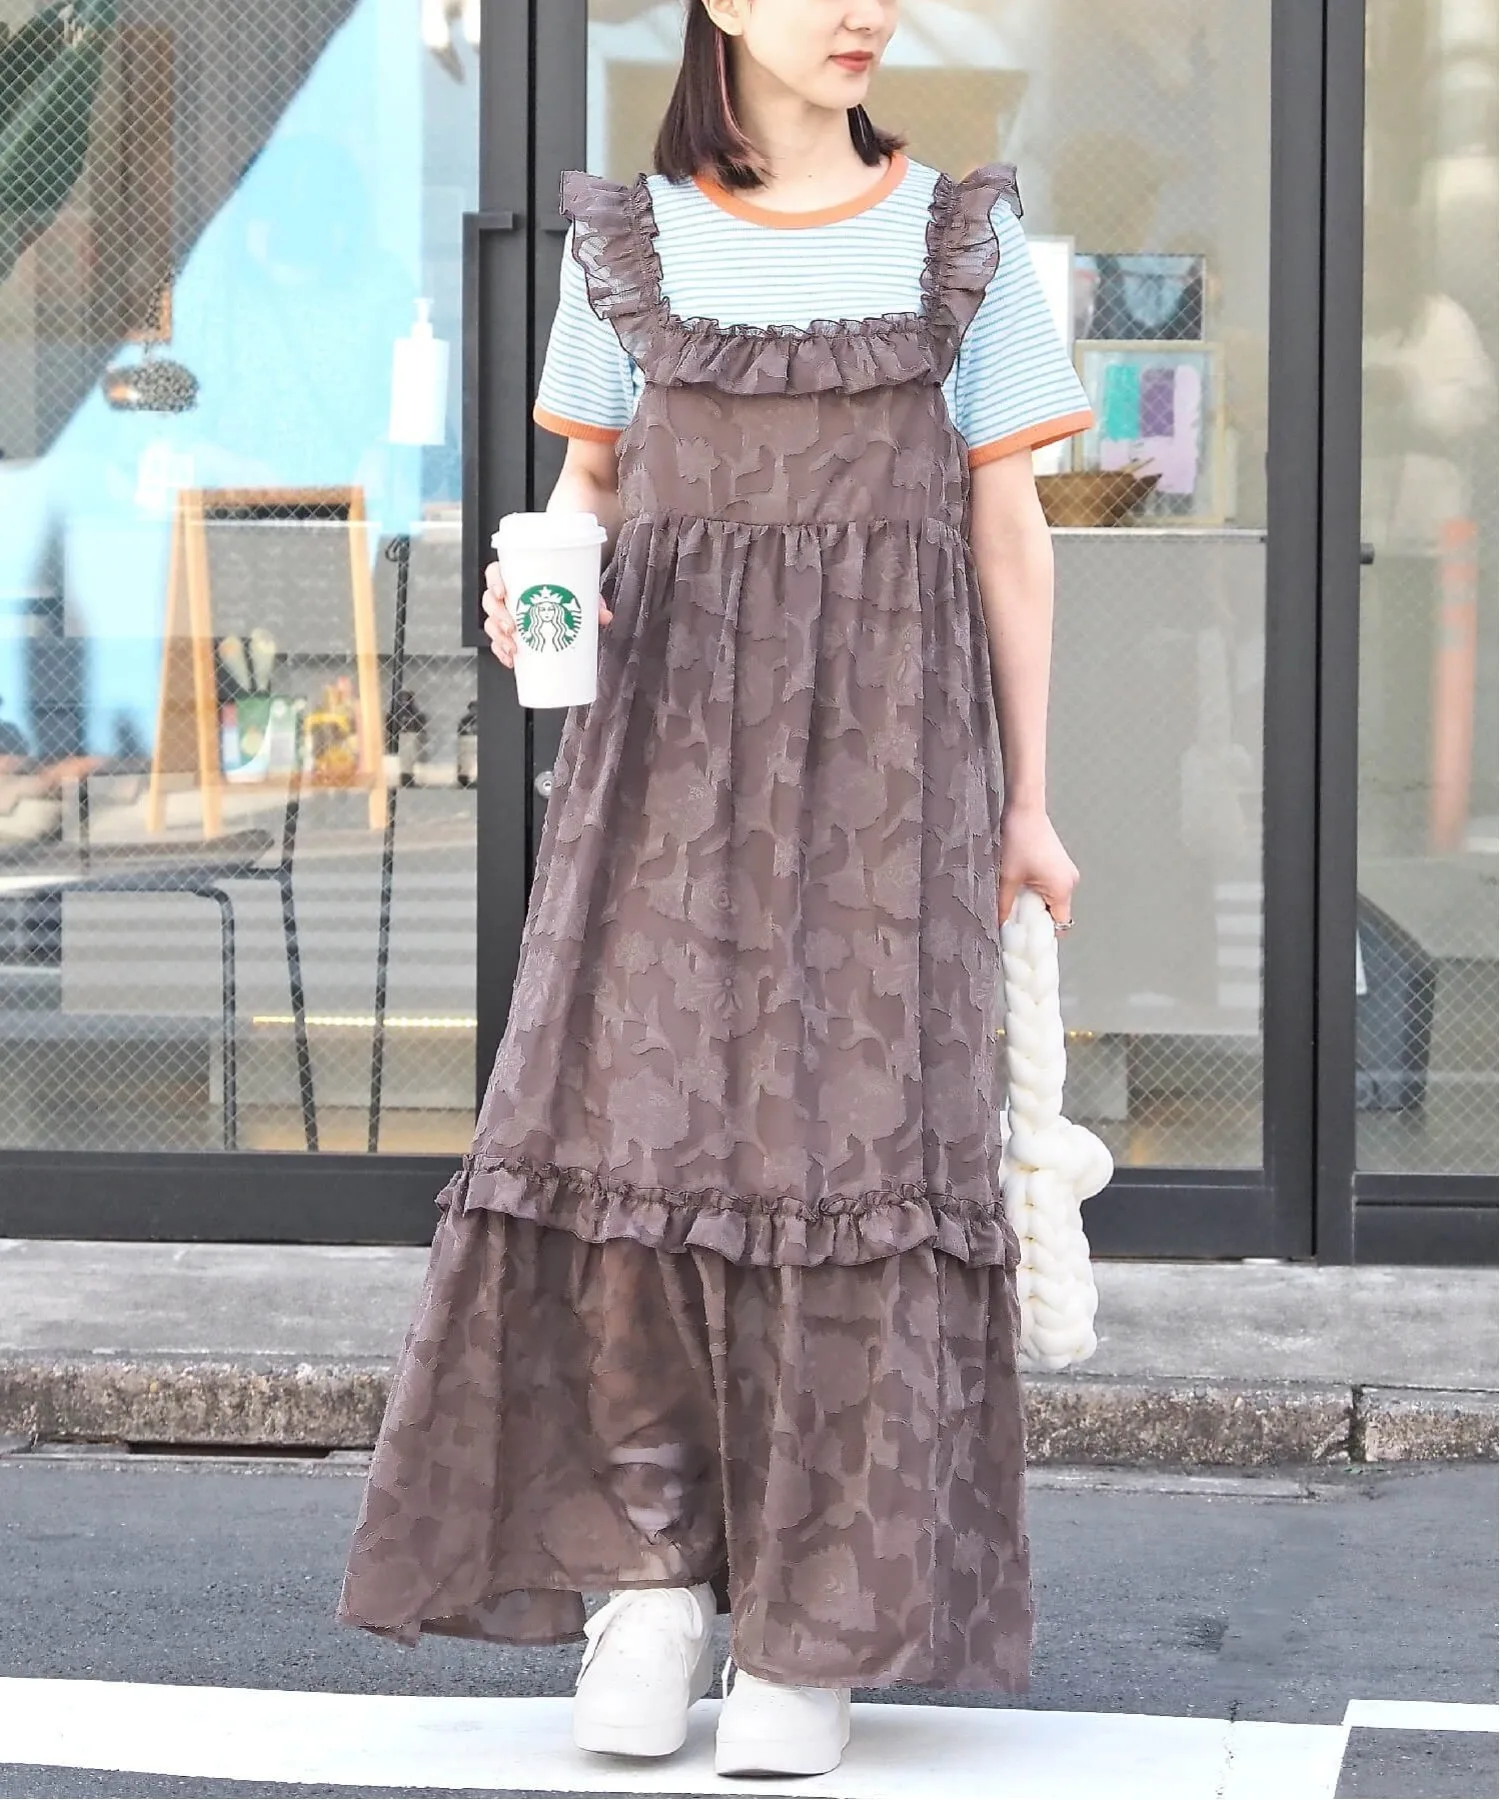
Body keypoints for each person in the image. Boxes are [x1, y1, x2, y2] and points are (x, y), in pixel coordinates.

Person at [338, 0, 1092, 1779]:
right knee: (638, 1149)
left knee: (851, 1164)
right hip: (663, 771)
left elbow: (1012, 535)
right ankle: (650, 1587)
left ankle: (812, 1629)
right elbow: (583, 494)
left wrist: (1031, 804)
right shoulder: (626, 249)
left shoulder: (965, 246)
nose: (862, 11)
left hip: (893, 780)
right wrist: (541, 590)